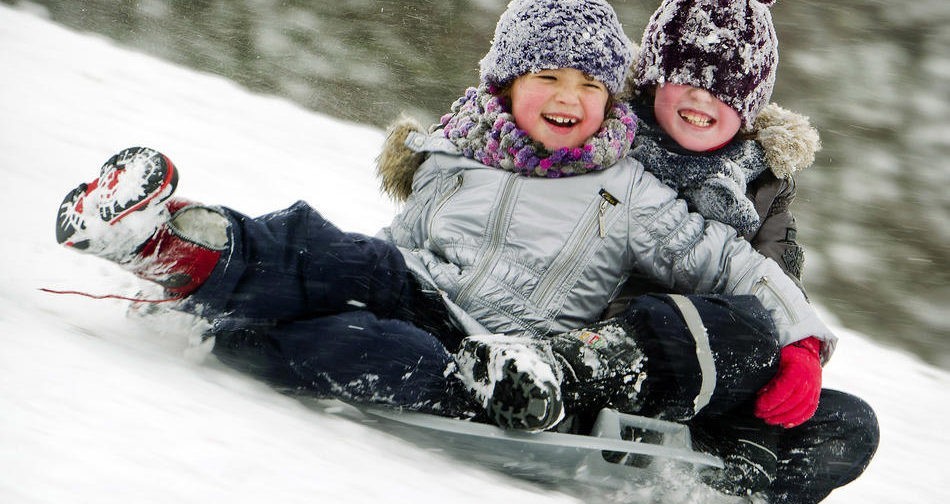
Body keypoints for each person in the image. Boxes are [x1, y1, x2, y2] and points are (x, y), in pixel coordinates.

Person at [53, 0, 868, 501]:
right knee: (332, 252)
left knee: (385, 352)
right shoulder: (455, 153)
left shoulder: (629, 188)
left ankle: (251, 338)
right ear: (505, 83)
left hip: (511, 350)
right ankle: (174, 243)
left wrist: (802, 342)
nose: (568, 97)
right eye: (547, 77)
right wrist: (326, 272)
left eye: (589, 84)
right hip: (421, 286)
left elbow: (742, 271)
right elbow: (397, 245)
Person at [583, 0, 877, 501]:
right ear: (654, 76)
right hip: (611, 344)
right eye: (686, 77)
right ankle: (613, 418)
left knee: (849, 425)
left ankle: (724, 478)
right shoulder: (607, 140)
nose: (703, 98)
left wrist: (800, 352)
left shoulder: (761, 185)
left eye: (727, 88)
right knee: (699, 320)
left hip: (720, 367)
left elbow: (775, 284)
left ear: (749, 105)